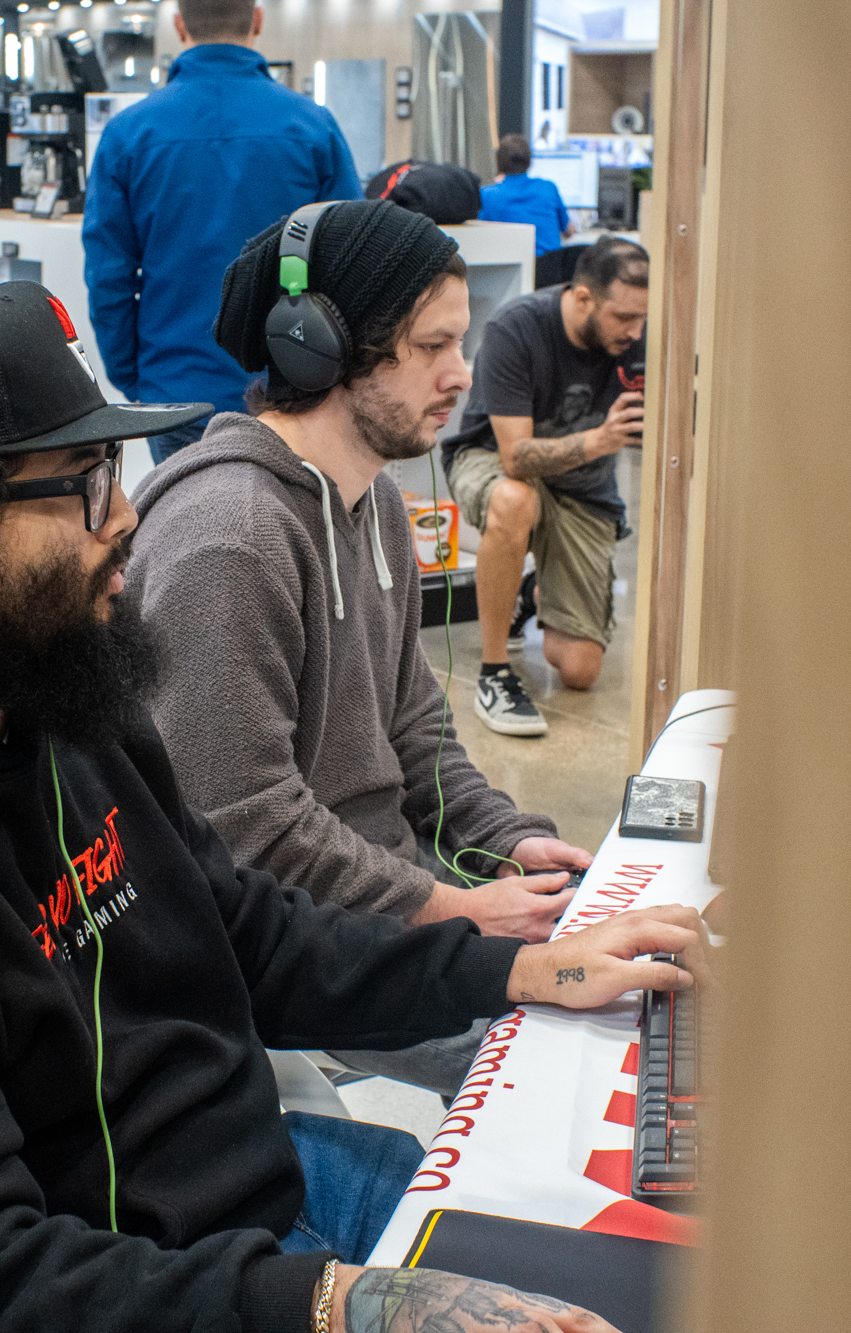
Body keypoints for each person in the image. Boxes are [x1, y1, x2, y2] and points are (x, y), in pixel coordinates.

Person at [0, 278, 710, 1333]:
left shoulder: (54, 691)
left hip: (250, 1183)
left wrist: (519, 966)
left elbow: (238, 926)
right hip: (132, 1279)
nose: (125, 518)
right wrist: (344, 1302)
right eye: (80, 482)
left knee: (662, 1269)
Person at [127, 200, 597, 1098]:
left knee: (609, 994)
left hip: (387, 900)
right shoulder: (231, 540)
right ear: (320, 347)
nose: (463, 376)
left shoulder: (374, 503)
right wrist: (455, 915)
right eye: (434, 347)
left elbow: (416, 727)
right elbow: (247, 831)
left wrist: (508, 844)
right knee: (561, 1063)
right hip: (298, 945)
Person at [82, 0, 361, 463]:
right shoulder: (313, 127)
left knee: (184, 528)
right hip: (292, 381)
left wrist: (135, 376)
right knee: (288, 529)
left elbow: (108, 277)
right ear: (257, 19)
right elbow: (350, 264)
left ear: (179, 27)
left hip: (175, 386)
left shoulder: (127, 134)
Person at [441, 238, 649, 736]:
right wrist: (601, 440)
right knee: (516, 501)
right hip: (493, 460)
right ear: (582, 298)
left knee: (578, 670)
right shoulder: (517, 328)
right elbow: (516, 458)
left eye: (642, 318)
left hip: (585, 490)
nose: (635, 332)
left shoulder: (641, 336)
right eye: (623, 318)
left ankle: (528, 591)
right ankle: (495, 673)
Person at [479, 134, 573, 257]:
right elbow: (568, 231)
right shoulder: (548, 188)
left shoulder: (487, 195)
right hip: (550, 272)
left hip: (511, 271)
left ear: (498, 163)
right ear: (529, 162)